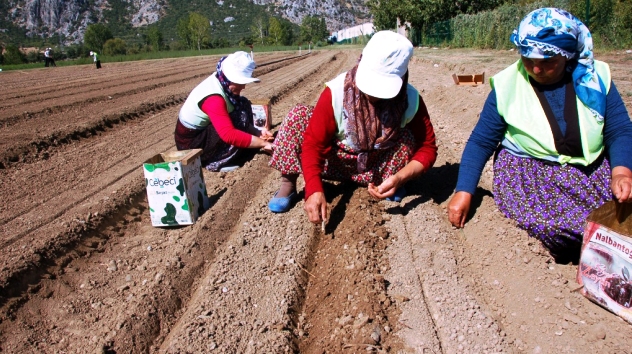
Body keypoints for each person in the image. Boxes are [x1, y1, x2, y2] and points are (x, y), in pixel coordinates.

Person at [447, 8, 632, 263]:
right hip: (532, 176)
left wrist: (622, 172)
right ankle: (586, 254)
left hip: (591, 170)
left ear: (566, 56)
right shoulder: (507, 86)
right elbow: (480, 141)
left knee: (615, 217)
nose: (536, 68)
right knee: (552, 226)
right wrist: (464, 190)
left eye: (547, 62)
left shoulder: (596, 78)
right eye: (527, 59)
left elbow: (620, 129)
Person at [267, 30, 438, 222]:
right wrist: (314, 188)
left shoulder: (411, 99)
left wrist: (400, 178)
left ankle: (390, 184)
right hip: (335, 161)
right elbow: (314, 144)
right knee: (298, 116)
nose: (374, 94)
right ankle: (288, 184)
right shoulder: (336, 93)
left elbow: (427, 147)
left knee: (408, 136)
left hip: (377, 166)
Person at [174, 51, 273, 172]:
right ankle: (215, 161)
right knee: (238, 119)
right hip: (192, 145)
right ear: (230, 79)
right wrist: (263, 144)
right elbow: (229, 134)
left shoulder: (220, 81)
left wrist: (258, 132)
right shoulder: (214, 99)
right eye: (241, 83)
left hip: (200, 134)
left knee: (243, 104)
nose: (244, 87)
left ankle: (236, 150)